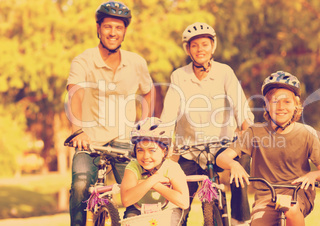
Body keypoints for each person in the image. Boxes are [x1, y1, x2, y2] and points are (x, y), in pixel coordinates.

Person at [66, 2, 155, 225]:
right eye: (107, 27)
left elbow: (149, 91)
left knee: (137, 193)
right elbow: (75, 95)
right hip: (89, 141)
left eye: (118, 28)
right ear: (98, 28)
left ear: (124, 31)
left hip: (125, 140)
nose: (112, 33)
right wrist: (78, 130)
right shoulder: (83, 61)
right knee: (80, 185)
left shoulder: (136, 62)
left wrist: (144, 126)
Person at [160, 22, 255, 225]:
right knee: (177, 206)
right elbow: (168, 115)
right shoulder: (179, 76)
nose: (200, 49)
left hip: (221, 149)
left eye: (205, 44)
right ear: (188, 49)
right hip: (189, 151)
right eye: (194, 45)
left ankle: (240, 219)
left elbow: (240, 108)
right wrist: (163, 145)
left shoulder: (224, 72)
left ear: (213, 47)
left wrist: (247, 135)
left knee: (240, 164)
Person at [216, 71, 320, 226]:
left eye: (287, 102)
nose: (281, 107)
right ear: (266, 105)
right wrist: (234, 164)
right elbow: (221, 158)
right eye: (275, 101)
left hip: (298, 194)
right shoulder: (254, 133)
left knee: (291, 209)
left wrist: (312, 176)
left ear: (296, 106)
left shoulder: (306, 134)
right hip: (266, 197)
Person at [120, 117, 189, 226]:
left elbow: (184, 202)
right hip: (137, 209)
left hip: (168, 210)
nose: (146, 156)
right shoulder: (133, 167)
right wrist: (152, 179)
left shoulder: (172, 167)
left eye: (152, 150)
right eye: (140, 150)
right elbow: (126, 200)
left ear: (164, 151)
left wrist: (156, 184)